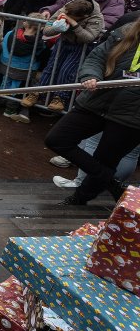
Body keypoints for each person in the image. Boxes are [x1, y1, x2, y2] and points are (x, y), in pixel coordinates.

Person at [45, 19, 140, 207]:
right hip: (97, 101)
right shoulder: (126, 31)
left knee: (106, 158)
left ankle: (80, 199)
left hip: (131, 114)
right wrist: (91, 75)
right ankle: (111, 182)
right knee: (56, 139)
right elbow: (96, 57)